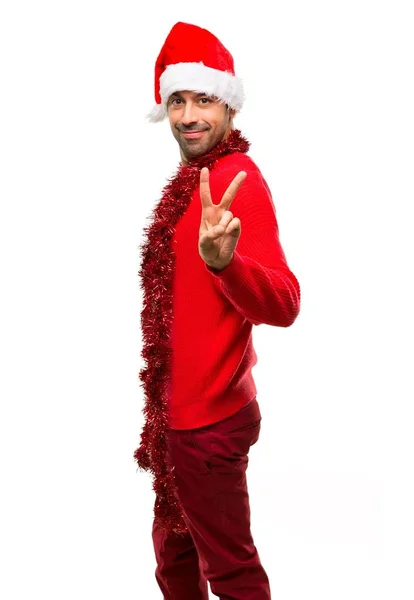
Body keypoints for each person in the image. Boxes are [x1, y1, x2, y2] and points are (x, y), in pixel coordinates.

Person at [134, 21, 301, 600]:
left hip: (208, 425)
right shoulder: (194, 180)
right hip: (173, 422)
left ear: (228, 106)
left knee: (230, 571)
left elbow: (284, 303)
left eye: (203, 99)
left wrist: (226, 263)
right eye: (177, 100)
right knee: (174, 561)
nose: (187, 116)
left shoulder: (237, 182)